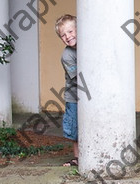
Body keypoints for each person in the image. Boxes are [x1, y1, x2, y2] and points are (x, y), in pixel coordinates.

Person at [55, 14, 79, 167]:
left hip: (92, 97)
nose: (68, 37)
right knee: (75, 128)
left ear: (78, 30)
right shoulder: (67, 55)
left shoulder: (89, 46)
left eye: (70, 32)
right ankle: (77, 158)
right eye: (63, 35)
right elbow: (79, 79)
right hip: (74, 97)